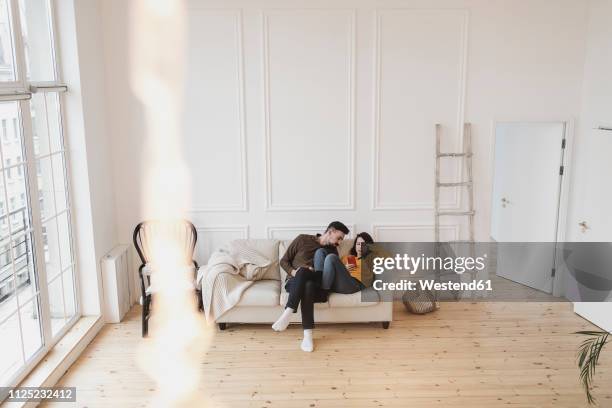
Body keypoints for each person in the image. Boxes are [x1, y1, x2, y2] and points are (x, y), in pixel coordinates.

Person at [272, 221, 349, 352]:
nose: (340, 242)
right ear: (331, 231)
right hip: (295, 281)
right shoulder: (303, 239)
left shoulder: (332, 252)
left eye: (342, 240)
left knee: (307, 279)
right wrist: (294, 272)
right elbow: (284, 261)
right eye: (339, 238)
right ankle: (308, 335)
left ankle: (288, 312)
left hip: (317, 286)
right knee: (304, 276)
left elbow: (330, 276)